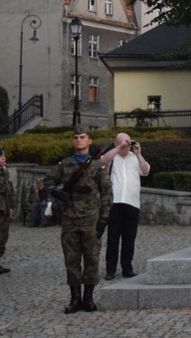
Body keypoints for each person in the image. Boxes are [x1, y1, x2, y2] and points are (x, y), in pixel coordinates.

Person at [44, 126, 111, 313]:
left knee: (91, 257)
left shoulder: (97, 166)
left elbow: (106, 192)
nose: (78, 140)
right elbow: (47, 181)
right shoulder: (64, 164)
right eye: (75, 137)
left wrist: (104, 218)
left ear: (89, 141)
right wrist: (56, 192)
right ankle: (75, 298)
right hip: (69, 217)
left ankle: (88, 298)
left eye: (82, 137)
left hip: (91, 217)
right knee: (71, 258)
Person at [100, 132, 151, 280]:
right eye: (123, 143)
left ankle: (127, 268)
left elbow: (146, 170)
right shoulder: (112, 157)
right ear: (116, 144)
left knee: (129, 238)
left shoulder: (135, 158)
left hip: (132, 203)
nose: (126, 146)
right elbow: (102, 161)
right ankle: (110, 270)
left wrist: (138, 153)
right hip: (115, 202)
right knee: (113, 238)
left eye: (128, 142)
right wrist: (118, 149)